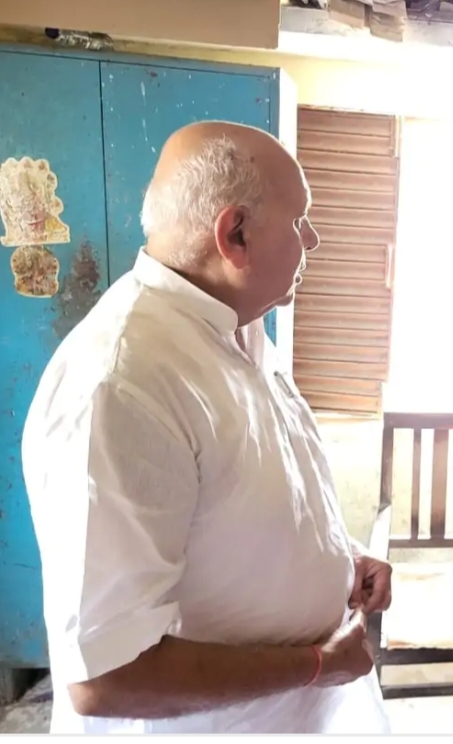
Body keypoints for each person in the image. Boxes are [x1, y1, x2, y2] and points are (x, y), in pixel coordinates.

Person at [21, 122, 393, 734]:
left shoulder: (238, 326)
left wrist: (338, 557)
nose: (313, 239)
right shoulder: (121, 384)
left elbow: (244, 489)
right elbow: (105, 676)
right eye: (300, 221)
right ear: (235, 234)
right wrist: (317, 666)